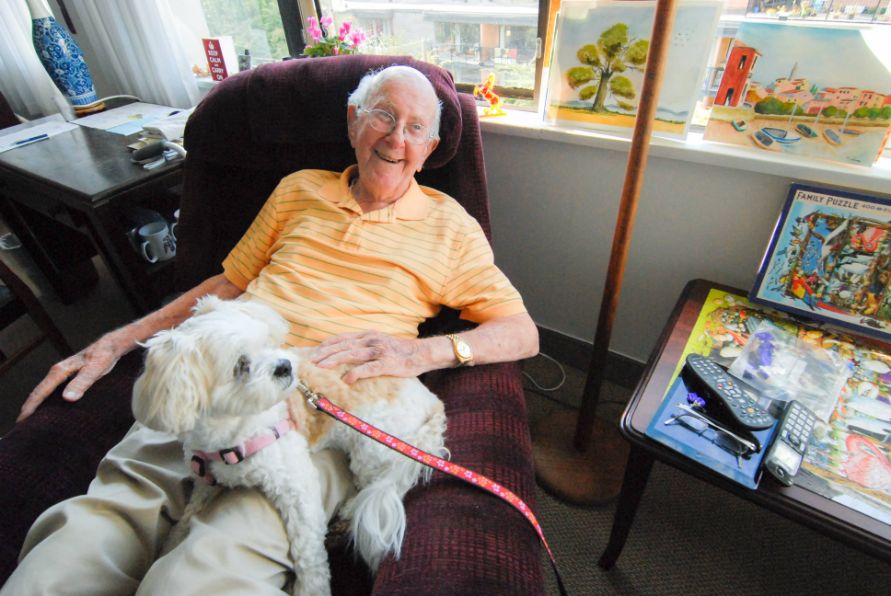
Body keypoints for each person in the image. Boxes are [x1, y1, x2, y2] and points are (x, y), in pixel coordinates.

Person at [2, 65, 537, 594]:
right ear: (354, 122)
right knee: (92, 530)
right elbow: (228, 283)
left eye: (416, 127)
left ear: (431, 145)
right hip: (218, 376)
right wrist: (119, 340)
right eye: (383, 115)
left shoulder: (450, 227)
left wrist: (419, 353)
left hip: (321, 412)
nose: (397, 138)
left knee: (207, 572)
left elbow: (521, 331)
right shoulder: (297, 189)